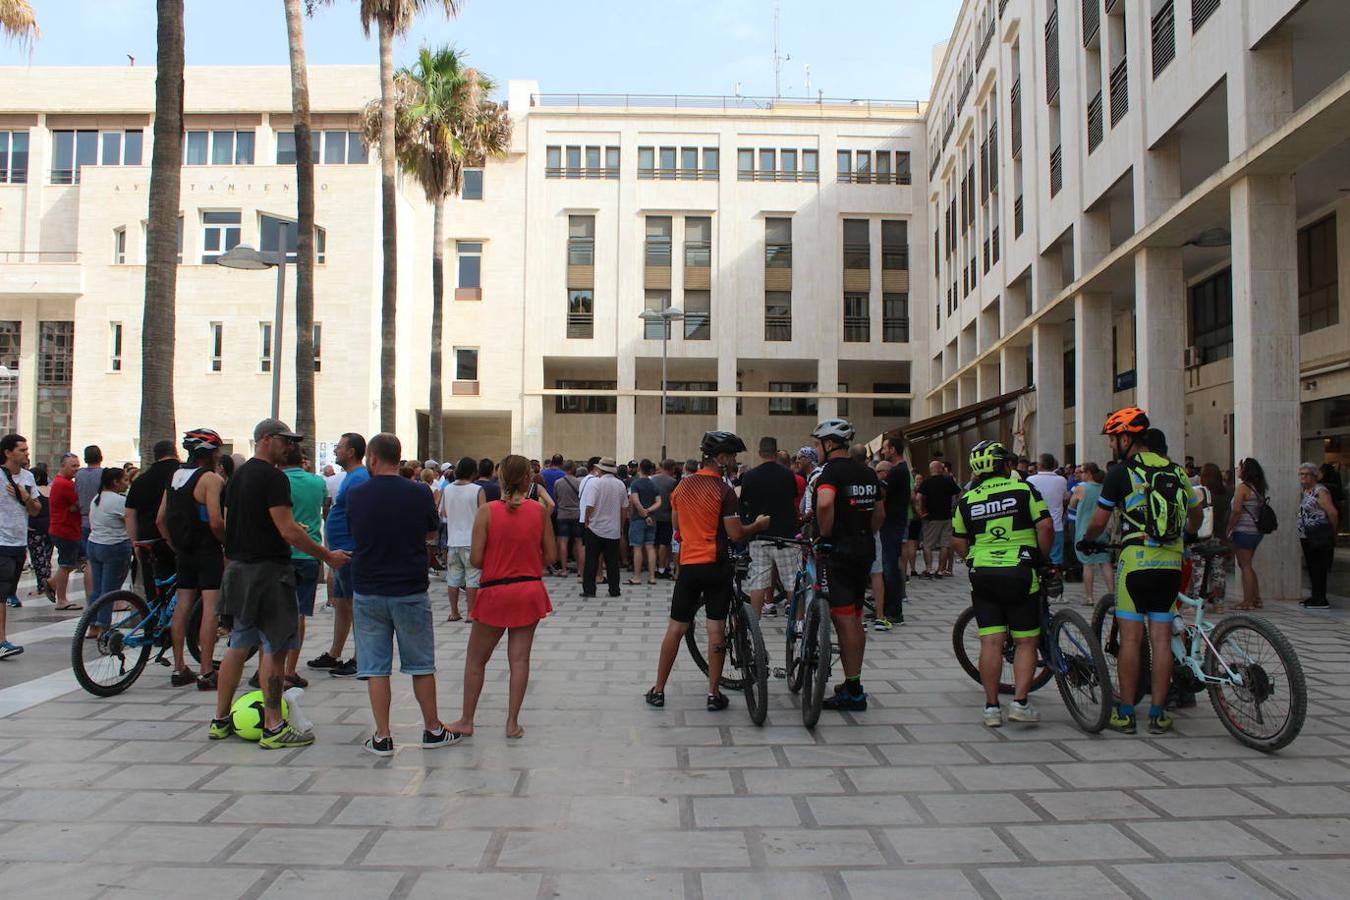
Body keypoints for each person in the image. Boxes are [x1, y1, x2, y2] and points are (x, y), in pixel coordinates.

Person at [209, 418, 349, 749]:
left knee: (238, 645)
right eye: (285, 440)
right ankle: (273, 725)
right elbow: (288, 530)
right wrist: (326, 555)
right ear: (266, 439)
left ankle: (220, 718)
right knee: (275, 647)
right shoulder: (273, 478)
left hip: (239, 569)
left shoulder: (237, 475)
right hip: (269, 572)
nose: (289, 447)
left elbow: (230, 522)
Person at [1081, 408, 1202, 736]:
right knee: (1161, 639)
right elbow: (1196, 511)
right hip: (1170, 564)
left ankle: (1125, 713)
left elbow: (1098, 521)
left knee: (1132, 639)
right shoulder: (1176, 470)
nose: (1110, 445)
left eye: (1112, 439)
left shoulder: (1121, 473)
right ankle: (1159, 714)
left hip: (1135, 563)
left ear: (1126, 437)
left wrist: (1087, 541)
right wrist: (1189, 533)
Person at [345, 432, 457, 755]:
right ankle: (433, 729)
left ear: (373, 458)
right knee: (421, 663)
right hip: (409, 587)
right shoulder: (420, 492)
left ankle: (382, 736)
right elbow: (432, 531)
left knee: (375, 667)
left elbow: (355, 532)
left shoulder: (357, 494)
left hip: (368, 588)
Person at [646, 432, 769, 711]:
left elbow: (677, 526)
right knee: (716, 629)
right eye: (733, 456)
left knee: (676, 627)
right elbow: (735, 533)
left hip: (689, 564)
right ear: (722, 458)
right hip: (717, 565)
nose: (735, 460)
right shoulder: (725, 492)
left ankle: (658, 689)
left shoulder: (682, 487)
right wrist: (759, 525)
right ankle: (713, 694)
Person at [446, 455, 555, 740]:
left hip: (496, 590)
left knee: (476, 660)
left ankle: (467, 720)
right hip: (529, 589)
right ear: (529, 480)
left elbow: (478, 559)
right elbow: (552, 556)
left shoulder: (487, 511)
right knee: (519, 660)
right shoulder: (540, 511)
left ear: (500, 478)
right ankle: (512, 723)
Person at [951, 440, 1053, 726]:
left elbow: (957, 540)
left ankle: (991, 708)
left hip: (983, 572)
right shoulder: (1023, 490)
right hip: (1019, 569)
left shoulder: (967, 499)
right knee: (1025, 640)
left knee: (991, 641)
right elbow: (1044, 526)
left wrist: (971, 559)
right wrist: (1041, 558)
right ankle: (1020, 703)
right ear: (1005, 465)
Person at [807, 419, 883, 712]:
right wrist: (866, 532)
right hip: (863, 550)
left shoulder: (831, 471)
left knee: (843, 620)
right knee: (855, 615)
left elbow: (825, 503)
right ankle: (853, 680)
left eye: (817, 444)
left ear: (829, 444)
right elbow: (880, 511)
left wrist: (825, 534)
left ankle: (853, 692)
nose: (816, 449)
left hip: (837, 551)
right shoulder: (867, 471)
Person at [160, 428, 226, 689]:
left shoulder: (174, 476)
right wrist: (225, 544)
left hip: (184, 551)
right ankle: (206, 671)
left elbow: (160, 518)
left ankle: (179, 668)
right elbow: (215, 520)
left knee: (182, 606)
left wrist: (174, 546)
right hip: (207, 550)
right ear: (209, 453)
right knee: (210, 609)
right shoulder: (210, 479)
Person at [308, 432, 368, 677]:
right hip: (341, 551)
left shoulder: (359, 477)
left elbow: (362, 514)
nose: (335, 451)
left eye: (340, 447)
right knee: (343, 604)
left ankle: (360, 657)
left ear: (351, 451)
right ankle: (335, 652)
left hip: (349, 551)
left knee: (355, 606)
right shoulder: (350, 477)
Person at [281, 440, 326, 689]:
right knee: (298, 613)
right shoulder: (317, 482)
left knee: (274, 613)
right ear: (303, 461)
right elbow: (323, 503)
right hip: (308, 553)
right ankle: (290, 670)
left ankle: (269, 667)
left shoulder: (276, 481)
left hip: (281, 553)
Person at [738, 437, 798, 619]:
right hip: (786, 535)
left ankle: (755, 624)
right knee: (792, 582)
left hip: (759, 535)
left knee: (757, 581)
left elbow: (744, 502)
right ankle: (799, 623)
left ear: (759, 452)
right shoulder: (788, 475)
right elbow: (793, 497)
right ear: (776, 451)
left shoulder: (749, 476)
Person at [0, 434, 41, 659]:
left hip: (18, 543)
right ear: (8, 452)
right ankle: (1, 641)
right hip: (1, 542)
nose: (26, 453)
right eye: (21, 450)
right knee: (1, 594)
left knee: (6, 594)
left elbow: (36, 510)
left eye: (27, 449)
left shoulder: (28, 477)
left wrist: (24, 497)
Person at [124, 439, 180, 600]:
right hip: (174, 539)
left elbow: (129, 514)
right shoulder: (181, 475)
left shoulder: (141, 480)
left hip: (147, 541)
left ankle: (152, 622)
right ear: (175, 452)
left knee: (153, 591)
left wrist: (135, 543)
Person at [441, 456, 484, 622]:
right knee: (472, 578)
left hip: (453, 539)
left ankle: (454, 611)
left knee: (453, 578)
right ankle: (471, 612)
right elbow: (483, 513)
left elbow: (443, 512)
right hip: (472, 540)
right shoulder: (477, 490)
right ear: (474, 471)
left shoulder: (448, 489)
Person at [86, 466, 133, 620]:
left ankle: (92, 623)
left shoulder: (96, 499)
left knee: (97, 590)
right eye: (125, 480)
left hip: (94, 544)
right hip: (114, 547)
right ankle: (103, 627)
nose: (127, 483)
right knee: (110, 591)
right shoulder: (119, 501)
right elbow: (130, 520)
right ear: (115, 482)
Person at [876, 434, 911, 629]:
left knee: (889, 568)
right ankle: (888, 607)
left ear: (893, 450)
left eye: (885, 448)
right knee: (889, 566)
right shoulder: (901, 470)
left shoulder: (897, 471)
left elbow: (881, 491)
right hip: (894, 523)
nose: (883, 451)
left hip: (891, 524)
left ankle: (893, 611)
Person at [580, 458, 627, 598]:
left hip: (595, 528)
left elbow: (590, 506)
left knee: (591, 561)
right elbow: (624, 508)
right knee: (612, 562)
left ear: (600, 469)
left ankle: (589, 590)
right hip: (613, 529)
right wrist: (621, 526)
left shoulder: (596, 483)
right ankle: (614, 590)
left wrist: (587, 521)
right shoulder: (620, 485)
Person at [1227, 456, 1269, 610]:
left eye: (1240, 467)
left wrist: (1229, 527)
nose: (1237, 469)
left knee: (1245, 565)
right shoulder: (1257, 487)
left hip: (1243, 529)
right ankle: (1256, 598)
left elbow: (1237, 510)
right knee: (1247, 565)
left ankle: (1247, 601)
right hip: (1256, 530)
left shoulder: (1243, 488)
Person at [1297, 462, 1338, 610]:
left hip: (1318, 532)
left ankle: (1321, 598)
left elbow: (1332, 512)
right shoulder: (1306, 491)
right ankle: (1315, 595)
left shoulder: (1320, 491)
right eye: (1301, 474)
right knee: (1311, 565)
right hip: (1306, 534)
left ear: (1314, 476)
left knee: (1319, 566)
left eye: (1306, 474)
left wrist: (1333, 532)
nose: (1303, 477)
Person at [1070, 463, 1112, 607]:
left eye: (1081, 472)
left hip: (1084, 529)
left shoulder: (1081, 488)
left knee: (1088, 565)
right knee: (1105, 562)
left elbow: (1072, 504)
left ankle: (1089, 598)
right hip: (1101, 529)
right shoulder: (1104, 488)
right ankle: (1112, 595)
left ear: (1088, 473)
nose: (1080, 474)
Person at [48, 452, 85, 612]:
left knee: (74, 561)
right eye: (73, 466)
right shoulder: (66, 484)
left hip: (64, 528)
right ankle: (61, 600)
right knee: (66, 564)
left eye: (78, 465)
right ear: (63, 466)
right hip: (65, 529)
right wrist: (75, 507)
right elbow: (80, 503)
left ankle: (51, 583)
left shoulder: (60, 482)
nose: (77, 469)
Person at [917, 459, 960, 577]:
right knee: (945, 545)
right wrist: (955, 504)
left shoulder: (926, 482)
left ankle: (929, 568)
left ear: (931, 469)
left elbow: (918, 497)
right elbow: (958, 493)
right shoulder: (948, 480)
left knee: (927, 545)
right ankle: (940, 570)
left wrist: (920, 511)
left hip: (932, 517)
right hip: (947, 516)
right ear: (939, 469)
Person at [1027, 453, 1070, 567]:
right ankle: (1056, 580)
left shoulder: (1030, 480)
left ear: (1039, 465)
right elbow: (1066, 498)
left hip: (1037, 525)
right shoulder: (1062, 480)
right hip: (1056, 525)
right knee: (1056, 560)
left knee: (1037, 558)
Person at [626, 459, 662, 586]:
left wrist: (643, 513)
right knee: (650, 547)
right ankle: (652, 577)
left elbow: (634, 501)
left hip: (638, 519)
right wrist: (649, 511)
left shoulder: (635, 484)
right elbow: (659, 502)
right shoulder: (653, 485)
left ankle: (637, 577)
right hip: (652, 519)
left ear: (640, 468)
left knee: (637, 548)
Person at [904, 472, 923, 577]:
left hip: (907, 516)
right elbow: (914, 500)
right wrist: (919, 512)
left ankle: (907, 569)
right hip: (914, 516)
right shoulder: (917, 490)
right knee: (912, 544)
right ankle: (912, 568)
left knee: (909, 544)